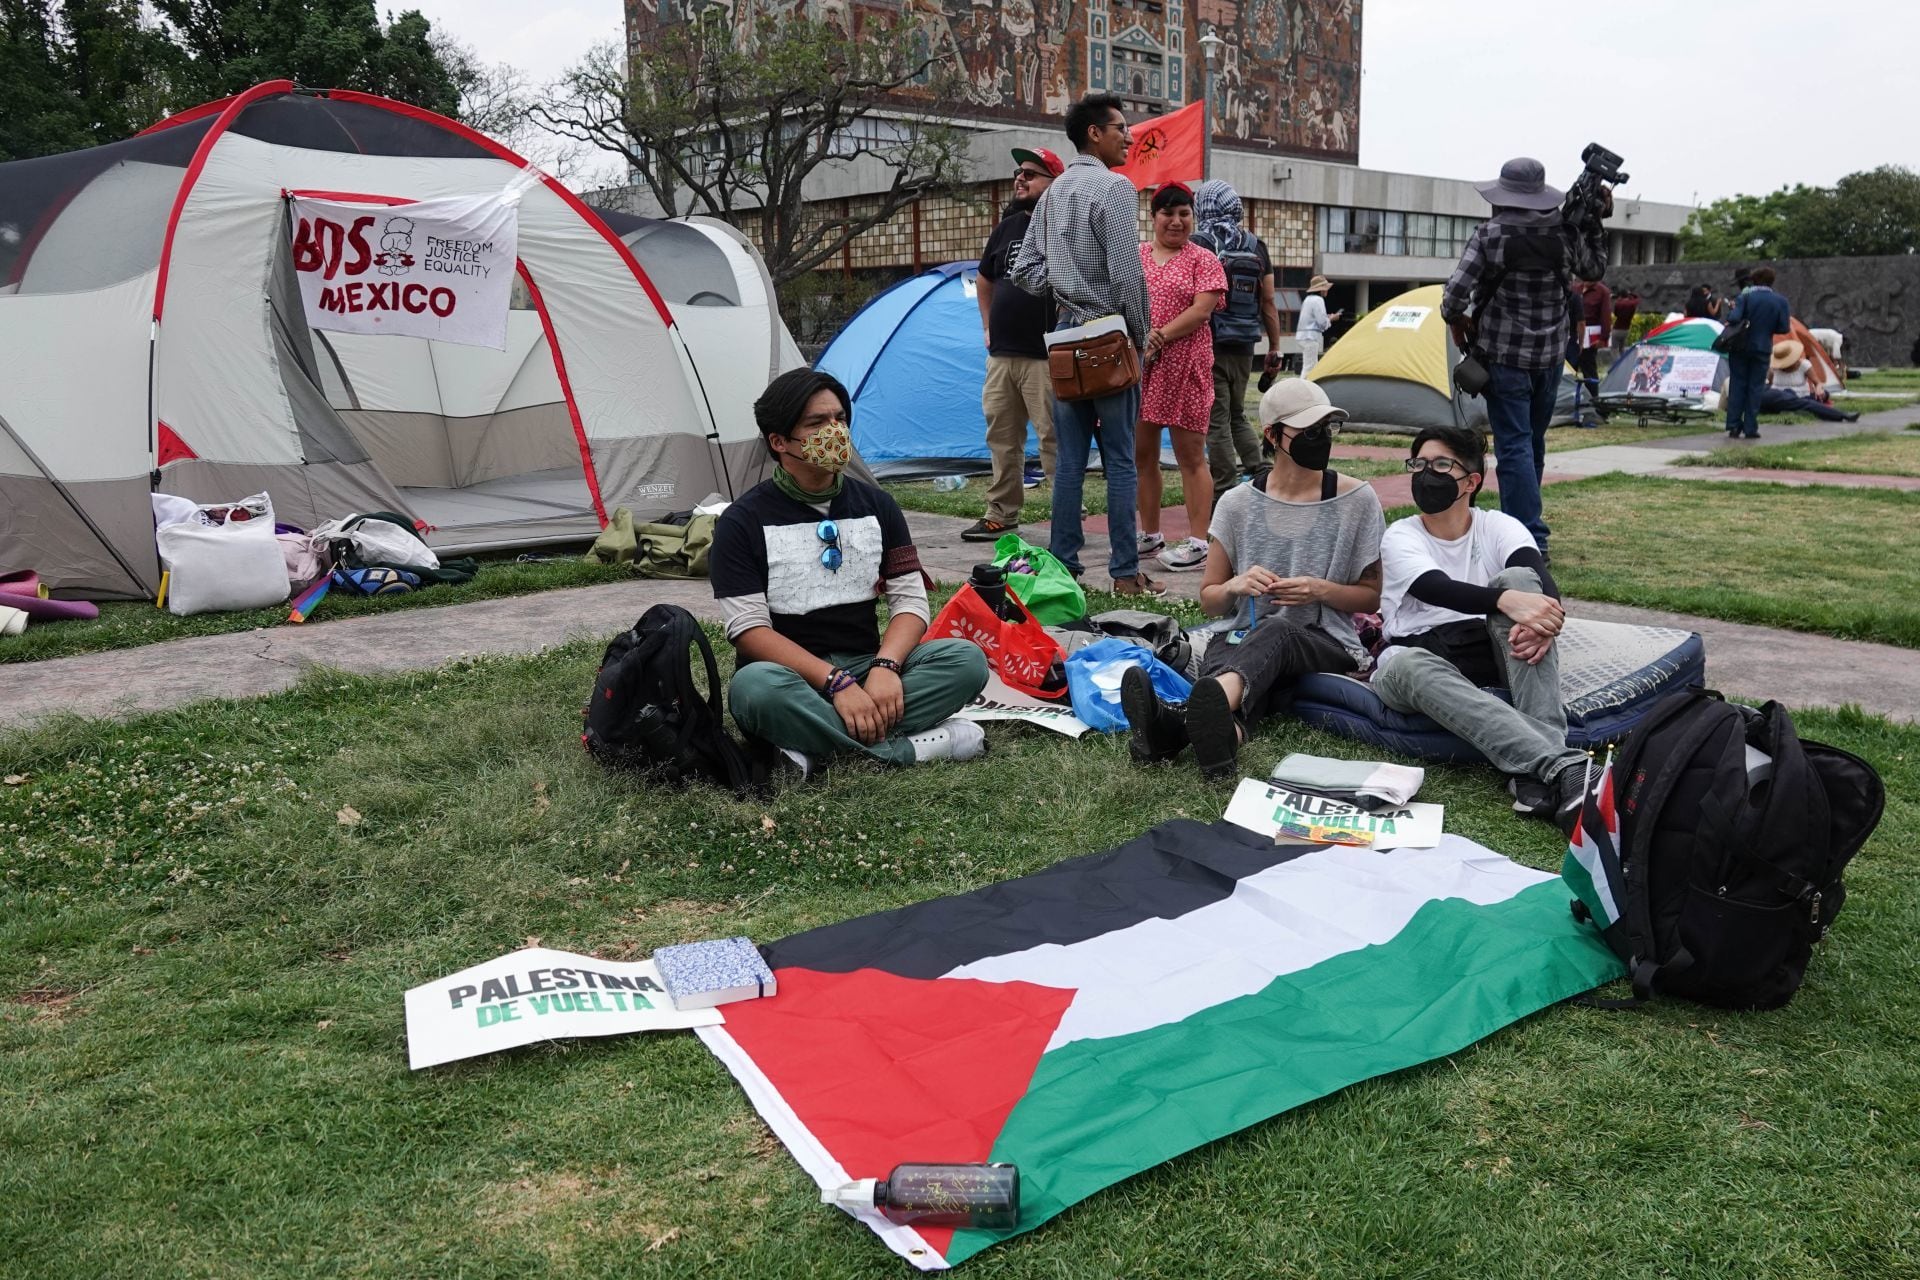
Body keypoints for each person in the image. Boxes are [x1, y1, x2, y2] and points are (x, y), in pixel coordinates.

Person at [711, 369, 991, 774]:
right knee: (753, 689)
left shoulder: (879, 506)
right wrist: (835, 683)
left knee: (966, 660)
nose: (836, 431)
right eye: (817, 423)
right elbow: (749, 630)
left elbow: (910, 602)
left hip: (868, 668)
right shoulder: (741, 521)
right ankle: (914, 748)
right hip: (792, 679)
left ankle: (814, 749)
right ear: (778, 442)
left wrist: (886, 667)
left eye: (840, 418)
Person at [1121, 379, 1384, 780]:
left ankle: (1177, 718)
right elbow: (1211, 601)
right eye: (1308, 429)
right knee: (1237, 650)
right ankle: (1222, 737)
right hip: (1243, 634)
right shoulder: (1237, 503)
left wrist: (1320, 590)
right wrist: (1234, 585)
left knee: (1275, 631)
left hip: (1325, 640)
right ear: (1272, 435)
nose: (1321, 438)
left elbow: (1371, 597)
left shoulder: (1357, 500)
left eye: (1326, 427)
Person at [1370, 425, 1588, 831]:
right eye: (1418, 464)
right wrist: (1506, 602)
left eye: (1440, 465)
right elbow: (1435, 588)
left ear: (1470, 482)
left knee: (1520, 580)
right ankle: (1563, 765)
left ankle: (1537, 774)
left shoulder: (1498, 525)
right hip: (1416, 659)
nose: (1425, 474)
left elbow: (1541, 584)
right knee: (1411, 663)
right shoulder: (1400, 534)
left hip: (1488, 651)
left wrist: (1544, 621)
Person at [1012, 91, 1161, 596]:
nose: (1130, 138)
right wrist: (1138, 336)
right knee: (1119, 459)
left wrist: (1065, 286)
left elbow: (1023, 270)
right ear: (1094, 134)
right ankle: (1125, 573)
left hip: (1065, 337)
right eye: (1121, 129)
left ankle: (1064, 571)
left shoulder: (1052, 193)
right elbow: (1127, 275)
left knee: (1070, 462)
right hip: (1109, 335)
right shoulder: (1114, 188)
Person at [1442, 156, 1605, 561]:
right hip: (1551, 357)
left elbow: (1454, 295)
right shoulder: (1565, 233)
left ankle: (1527, 536)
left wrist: (1457, 320)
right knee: (1532, 443)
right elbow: (1594, 268)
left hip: (1503, 357)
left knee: (1514, 445)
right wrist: (1593, 220)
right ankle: (1529, 529)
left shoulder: (1490, 235)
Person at [966, 145, 1063, 543]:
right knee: (1002, 437)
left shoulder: (1064, 226)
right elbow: (985, 278)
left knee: (1054, 437)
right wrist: (987, 325)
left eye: (1031, 174)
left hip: (1047, 356)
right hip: (1002, 354)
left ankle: (1065, 516)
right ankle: (1001, 514)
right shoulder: (1007, 227)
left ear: (1054, 183)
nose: (1020, 178)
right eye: (1018, 173)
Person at [1135, 183, 1227, 573]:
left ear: (1193, 217)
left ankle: (1198, 542)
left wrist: (1158, 336)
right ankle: (1150, 534)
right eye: (1167, 213)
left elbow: (1202, 310)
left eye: (1184, 213)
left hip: (1187, 368)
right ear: (1153, 217)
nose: (1176, 221)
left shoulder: (1203, 259)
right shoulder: (1136, 255)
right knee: (1142, 456)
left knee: (1191, 457)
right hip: (1142, 367)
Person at [1190, 179, 1284, 501]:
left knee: (1216, 420)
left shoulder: (1199, 242)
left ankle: (1224, 490)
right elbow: (1268, 300)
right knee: (1237, 413)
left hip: (1209, 342)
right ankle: (1261, 471)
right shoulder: (1256, 245)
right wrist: (1274, 347)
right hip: (1245, 343)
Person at [1722, 266, 1792, 439]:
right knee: (1756, 388)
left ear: (1753, 280)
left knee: (1737, 385)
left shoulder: (1744, 297)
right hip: (1762, 348)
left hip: (1740, 347)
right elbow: (1784, 328)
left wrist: (1734, 310)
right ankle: (1751, 427)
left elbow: (1733, 318)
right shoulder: (1781, 301)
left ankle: (1734, 426)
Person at [1763, 339, 1859, 422]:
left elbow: (1817, 382)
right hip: (1783, 396)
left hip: (1799, 395)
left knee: (1820, 396)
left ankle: (1840, 414)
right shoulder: (1774, 369)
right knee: (1806, 403)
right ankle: (1842, 415)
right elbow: (1769, 383)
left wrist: (1819, 389)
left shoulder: (1804, 365)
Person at [1572, 276, 1612, 425]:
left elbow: (1605, 316)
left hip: (1590, 338)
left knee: (1589, 372)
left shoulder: (1602, 292)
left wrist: (1603, 338)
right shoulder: (1575, 288)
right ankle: (1570, 405)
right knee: (1570, 371)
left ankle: (1596, 408)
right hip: (1572, 335)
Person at [1295, 275, 1340, 374]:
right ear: (1322, 289)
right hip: (1310, 337)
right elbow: (1322, 323)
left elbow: (1313, 318)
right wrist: (1331, 318)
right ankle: (1304, 384)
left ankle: (1305, 383)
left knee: (1309, 365)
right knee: (1310, 367)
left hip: (1302, 336)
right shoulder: (1318, 300)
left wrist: (1327, 318)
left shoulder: (1308, 299)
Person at [1610, 287, 1640, 356]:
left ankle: (1616, 362)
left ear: (1620, 296)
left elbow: (1616, 314)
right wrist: (1630, 293)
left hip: (1617, 329)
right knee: (1622, 348)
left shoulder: (1618, 304)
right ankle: (1623, 361)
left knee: (1614, 349)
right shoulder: (1632, 304)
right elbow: (1637, 298)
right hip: (1626, 329)